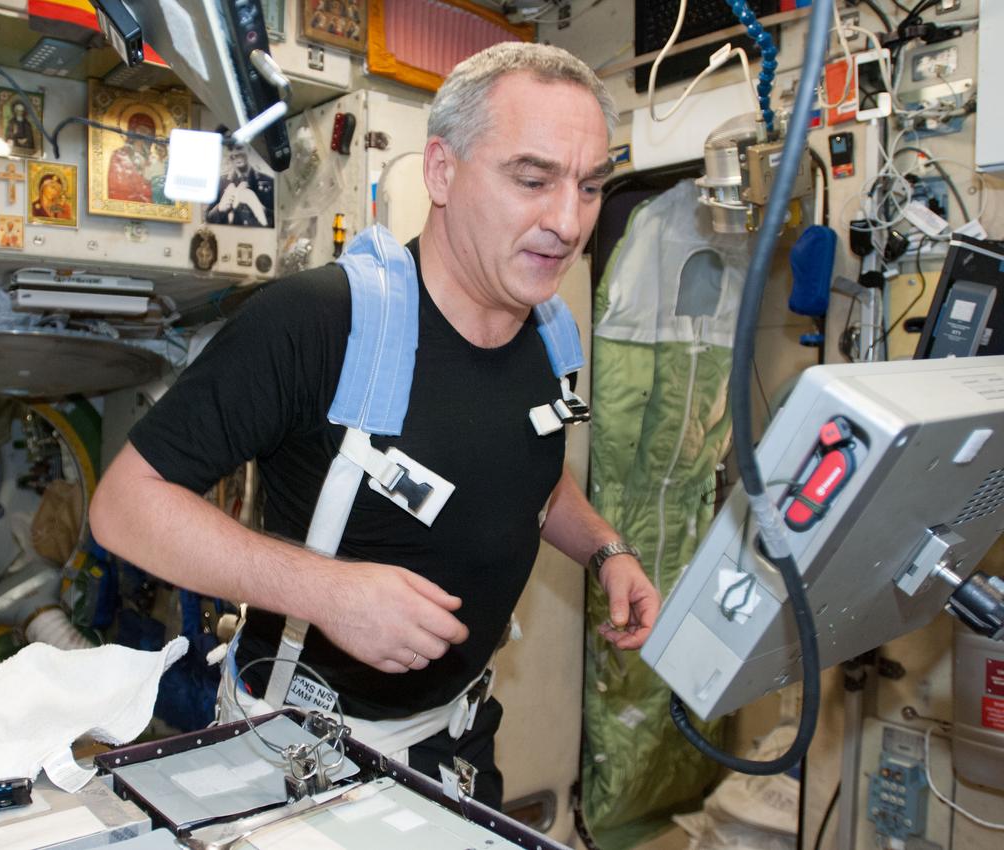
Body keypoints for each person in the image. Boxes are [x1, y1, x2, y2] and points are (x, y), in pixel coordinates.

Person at [89, 42, 659, 809]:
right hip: (301, 754)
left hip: (457, 741)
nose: (567, 221)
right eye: (532, 179)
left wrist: (603, 550)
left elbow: (524, 469)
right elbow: (125, 507)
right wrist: (328, 593)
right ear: (442, 172)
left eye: (591, 188)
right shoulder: (319, 323)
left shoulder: (549, 331)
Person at [204, 147, 274, 227]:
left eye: (239, 148)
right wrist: (219, 209)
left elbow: (281, 218)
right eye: (231, 149)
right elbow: (208, 220)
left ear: (248, 150)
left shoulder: (269, 182)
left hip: (258, 237)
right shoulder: (220, 182)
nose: (236, 153)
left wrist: (261, 209)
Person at [108, 113, 159, 204]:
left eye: (148, 132)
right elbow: (115, 186)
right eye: (141, 130)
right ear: (133, 130)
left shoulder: (154, 159)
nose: (144, 134)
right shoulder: (119, 156)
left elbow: (158, 187)